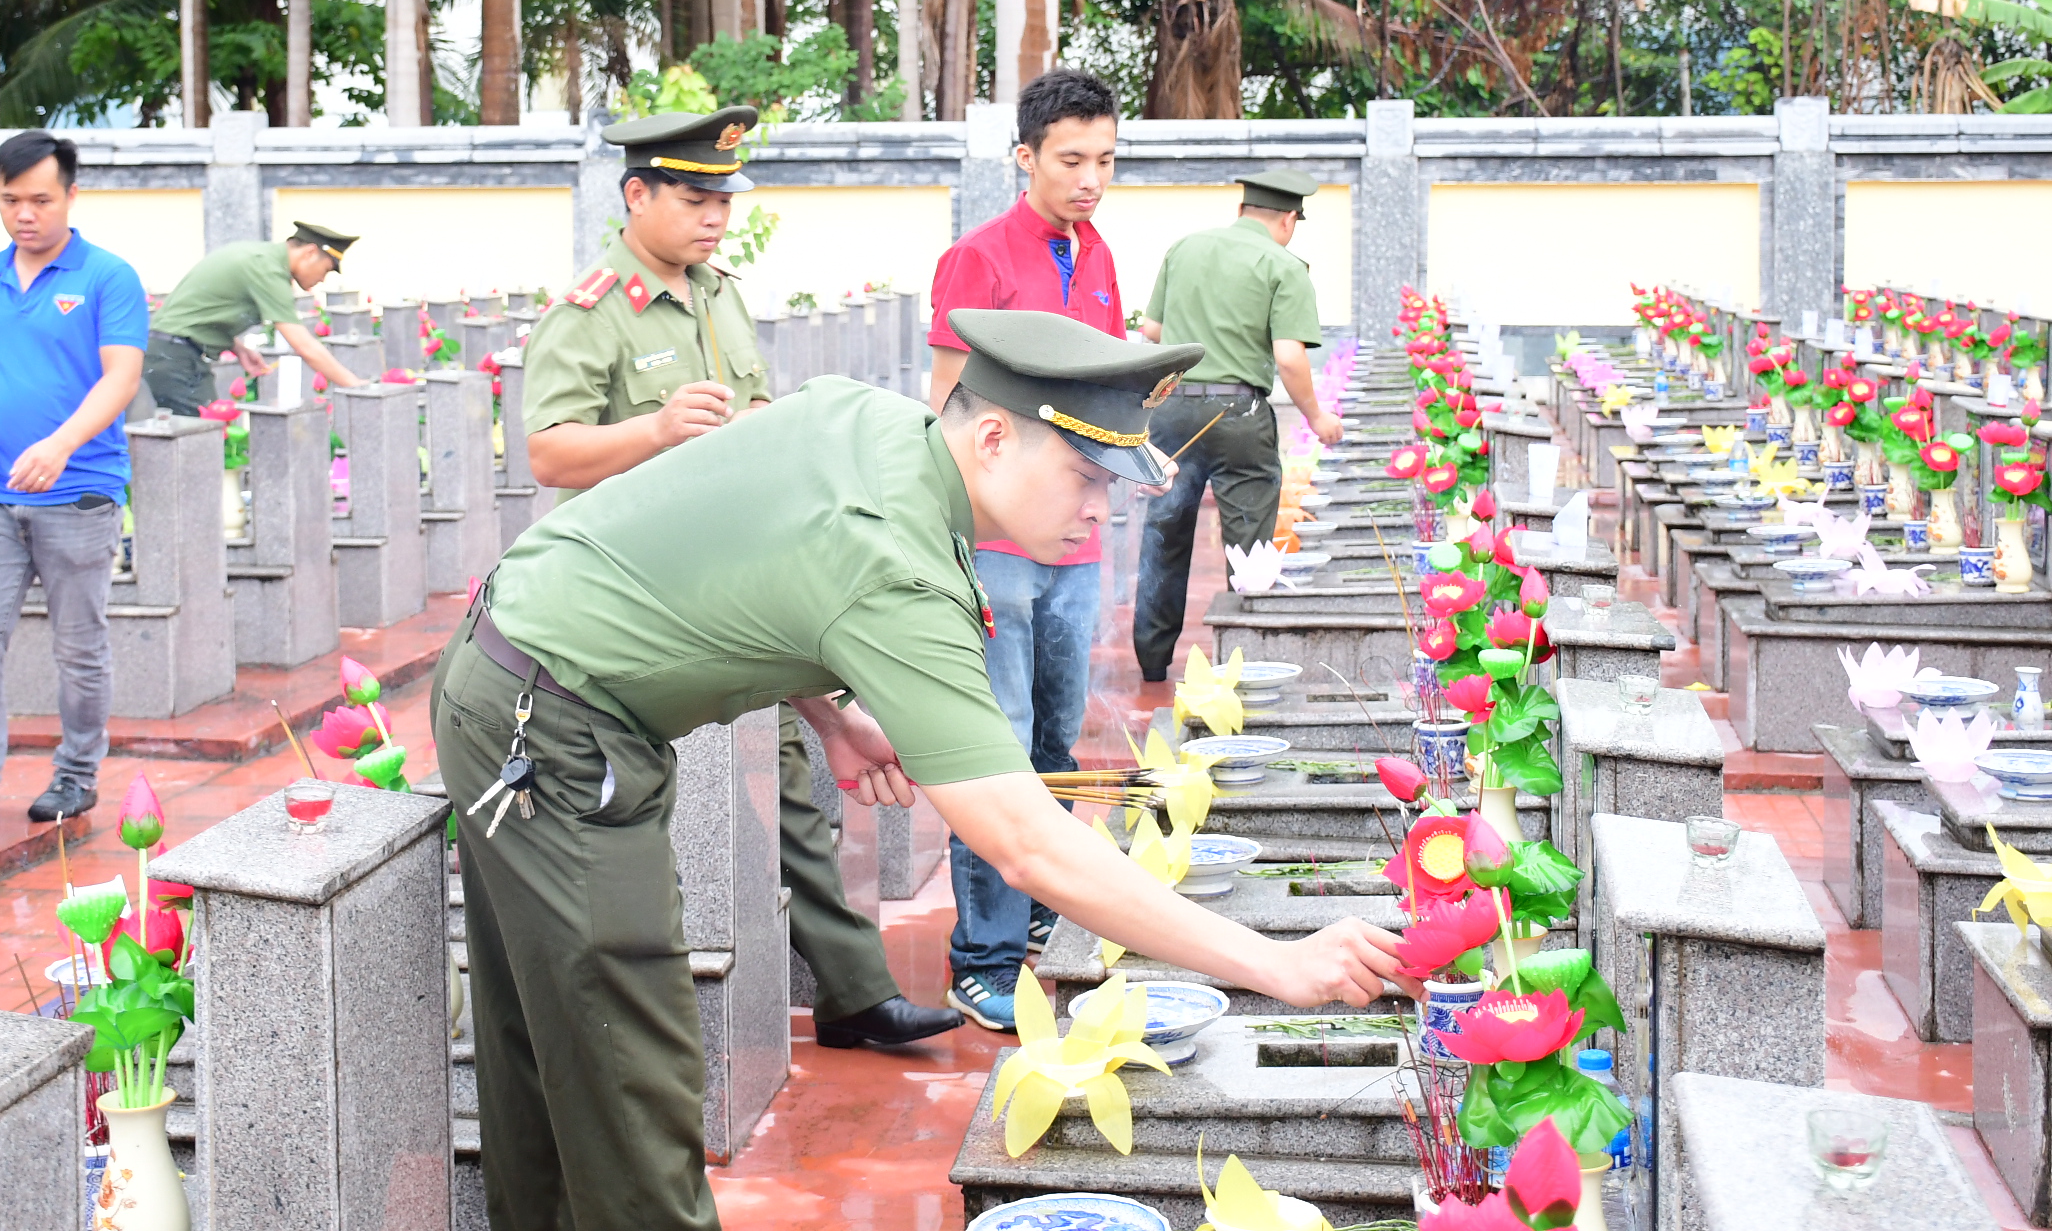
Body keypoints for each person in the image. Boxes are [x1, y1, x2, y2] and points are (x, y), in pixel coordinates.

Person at [435, 308, 1408, 1231]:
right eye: (1085, 474)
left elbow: (756, 539)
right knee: (627, 1087)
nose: (1100, 510)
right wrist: (1275, 961)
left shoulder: (877, 419)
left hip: (516, 665)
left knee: (546, 1066)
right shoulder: (901, 566)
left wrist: (835, 709)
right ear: (992, 440)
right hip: (553, 733)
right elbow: (1029, 846)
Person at [523, 106, 956, 1054]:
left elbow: (755, 422)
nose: (714, 215)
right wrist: (654, 430)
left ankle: (854, 994)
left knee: (795, 778)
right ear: (636, 195)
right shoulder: (593, 310)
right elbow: (550, 453)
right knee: (653, 808)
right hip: (635, 595)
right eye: (694, 196)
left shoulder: (718, 295)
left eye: (724, 197)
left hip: (735, 574)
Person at [921, 65, 1127, 1029]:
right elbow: (947, 402)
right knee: (993, 742)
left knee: (1055, 734)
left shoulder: (1100, 256)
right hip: (1000, 538)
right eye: (1072, 159)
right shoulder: (977, 257)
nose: (1090, 178)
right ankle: (986, 954)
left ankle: (1043, 913)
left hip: (1075, 539)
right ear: (1027, 158)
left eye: (1106, 161)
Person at [0, 132, 150, 827]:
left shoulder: (106, 277)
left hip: (81, 490)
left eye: (40, 199)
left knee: (79, 645)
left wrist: (61, 444)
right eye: (10, 200)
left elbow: (121, 375)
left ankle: (75, 776)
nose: (25, 214)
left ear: (72, 195)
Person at [1129, 166, 1345, 681]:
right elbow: (1289, 357)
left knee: (1165, 531)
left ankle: (1153, 664)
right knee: (1247, 544)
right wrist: (1317, 417)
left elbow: (1152, 330)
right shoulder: (1285, 265)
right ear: (1289, 219)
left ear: (1244, 208)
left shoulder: (1184, 249)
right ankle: (1240, 666)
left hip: (1174, 407)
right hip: (1240, 413)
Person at [142, 222, 367, 417]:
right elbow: (303, 344)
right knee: (201, 444)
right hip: (173, 358)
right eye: (325, 269)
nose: (322, 279)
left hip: (170, 352)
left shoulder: (258, 257)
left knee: (206, 439)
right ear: (309, 253)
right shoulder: (268, 269)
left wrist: (238, 348)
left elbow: (202, 311)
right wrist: (355, 386)